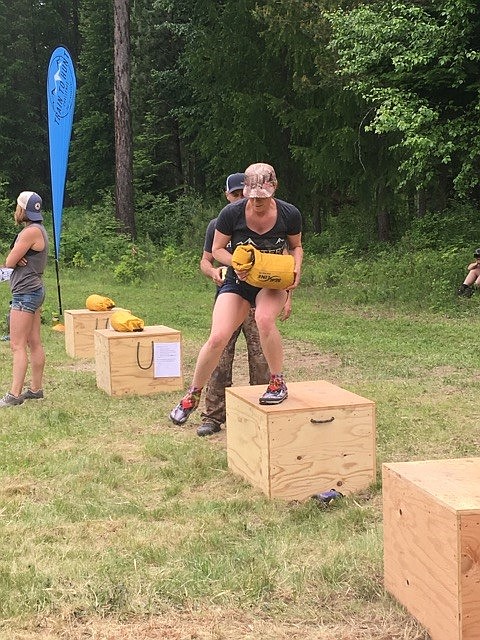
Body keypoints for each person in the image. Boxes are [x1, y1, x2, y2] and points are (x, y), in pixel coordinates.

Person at [170, 162, 302, 426]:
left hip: (272, 282)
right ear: (245, 193)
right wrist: (235, 264)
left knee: (264, 320)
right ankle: (192, 395)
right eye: (252, 197)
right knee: (218, 337)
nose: (257, 202)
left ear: (273, 188)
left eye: (262, 197)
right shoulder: (231, 213)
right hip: (238, 282)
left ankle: (277, 382)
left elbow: (296, 246)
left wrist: (296, 272)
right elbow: (217, 250)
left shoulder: (289, 214)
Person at [197, 172, 271, 437]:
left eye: (244, 193)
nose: (240, 198)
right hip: (228, 297)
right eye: (235, 194)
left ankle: (262, 412)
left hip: (259, 299)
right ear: (227, 195)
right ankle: (213, 416)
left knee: (261, 356)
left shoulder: (262, 222)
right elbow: (205, 260)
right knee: (220, 355)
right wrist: (213, 272)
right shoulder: (219, 223)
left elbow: (282, 258)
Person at [0, 192, 48, 407]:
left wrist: (15, 257)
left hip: (25, 293)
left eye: (17, 206)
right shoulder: (39, 230)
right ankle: (36, 389)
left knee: (17, 345)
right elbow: (14, 260)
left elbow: (9, 261)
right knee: (33, 342)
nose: (15, 211)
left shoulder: (28, 233)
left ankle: (14, 395)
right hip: (34, 289)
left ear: (22, 210)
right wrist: (17, 258)